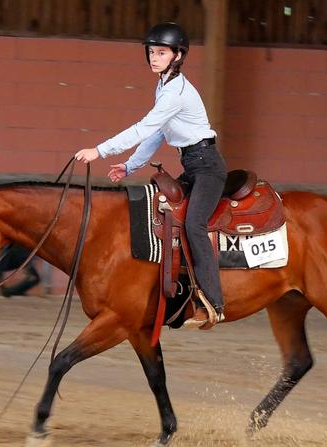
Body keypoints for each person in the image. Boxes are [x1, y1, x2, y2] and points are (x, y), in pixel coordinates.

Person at [75, 22, 226, 329]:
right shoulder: (164, 87)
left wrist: (100, 151)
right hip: (192, 164)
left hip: (208, 166)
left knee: (195, 225)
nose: (154, 58)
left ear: (178, 55)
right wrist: (130, 166)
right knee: (164, 216)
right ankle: (173, 294)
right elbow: (157, 133)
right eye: (151, 52)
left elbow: (144, 128)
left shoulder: (176, 92)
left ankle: (214, 303)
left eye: (161, 52)